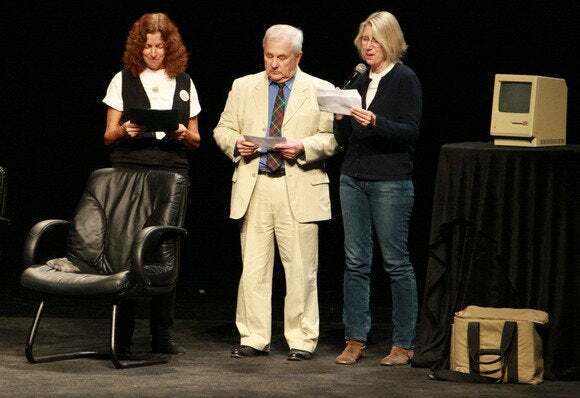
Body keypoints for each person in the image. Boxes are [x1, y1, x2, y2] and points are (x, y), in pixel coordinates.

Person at [213, 24, 337, 361]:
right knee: (253, 267)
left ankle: (301, 339)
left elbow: (331, 139)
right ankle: (254, 337)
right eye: (269, 56)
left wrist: (302, 146)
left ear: (298, 56)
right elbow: (223, 128)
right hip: (255, 186)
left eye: (282, 57)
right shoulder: (243, 86)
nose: (274, 64)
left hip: (296, 184)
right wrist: (235, 144)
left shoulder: (320, 89)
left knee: (300, 268)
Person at [102, 12, 201, 355]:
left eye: (160, 46)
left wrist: (183, 133)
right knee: (128, 248)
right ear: (138, 48)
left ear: (169, 47)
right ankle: (124, 336)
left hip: (172, 169)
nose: (154, 53)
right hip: (131, 167)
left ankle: (162, 333)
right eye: (148, 47)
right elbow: (108, 134)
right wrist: (125, 129)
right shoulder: (123, 79)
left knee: (165, 248)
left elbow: (196, 139)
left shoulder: (185, 82)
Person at [333, 11, 422, 366]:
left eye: (375, 40)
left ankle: (403, 343)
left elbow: (410, 131)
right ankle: (355, 339)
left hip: (390, 180)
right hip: (352, 177)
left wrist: (376, 121)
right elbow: (344, 139)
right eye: (365, 39)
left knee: (396, 262)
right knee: (356, 261)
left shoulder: (404, 79)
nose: (368, 47)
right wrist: (339, 119)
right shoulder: (357, 78)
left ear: (391, 42)